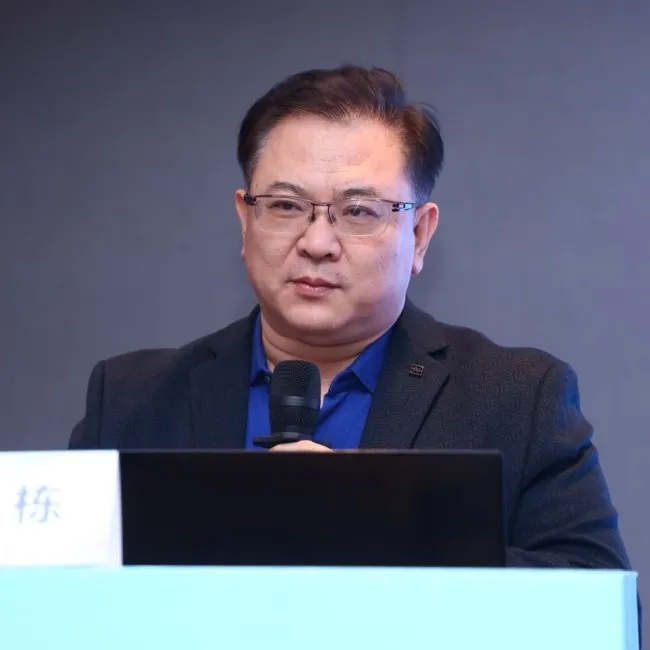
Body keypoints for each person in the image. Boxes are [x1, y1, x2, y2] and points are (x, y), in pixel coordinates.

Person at [69, 65, 632, 573]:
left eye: (358, 211)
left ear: (419, 234)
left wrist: (367, 525)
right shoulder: (131, 401)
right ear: (245, 220)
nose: (317, 242)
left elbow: (598, 602)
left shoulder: (517, 399)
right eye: (286, 206)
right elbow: (53, 592)